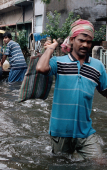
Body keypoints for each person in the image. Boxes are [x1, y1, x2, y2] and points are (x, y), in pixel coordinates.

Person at [36, 19, 107, 160]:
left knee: (100, 162)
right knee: (61, 164)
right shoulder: (59, 62)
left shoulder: (98, 66)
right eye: (81, 40)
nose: (85, 45)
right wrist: (51, 47)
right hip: (60, 131)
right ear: (72, 40)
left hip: (85, 132)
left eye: (89, 42)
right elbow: (41, 68)